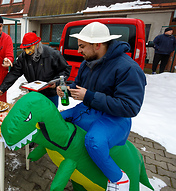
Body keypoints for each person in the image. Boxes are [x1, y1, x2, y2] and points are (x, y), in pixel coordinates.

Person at [56, 22, 146, 191]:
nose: (78, 51)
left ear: (97, 45)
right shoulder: (87, 62)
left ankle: (119, 179)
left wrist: (89, 96)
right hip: (90, 109)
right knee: (56, 118)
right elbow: (78, 86)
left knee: (94, 141)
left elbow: (130, 107)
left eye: (82, 46)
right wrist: (66, 90)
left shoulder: (128, 68)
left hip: (116, 118)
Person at [0, 32, 71, 107]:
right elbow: (14, 73)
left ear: (37, 45)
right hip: (34, 94)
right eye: (24, 48)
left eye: (29, 47)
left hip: (50, 94)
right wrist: (2, 88)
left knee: (49, 117)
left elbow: (65, 70)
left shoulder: (52, 54)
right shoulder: (23, 57)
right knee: (35, 116)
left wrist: (56, 83)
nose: (27, 51)